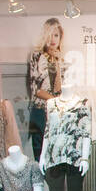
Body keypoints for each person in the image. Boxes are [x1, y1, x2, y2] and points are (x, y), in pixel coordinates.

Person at [26, 18, 66, 160]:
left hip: (56, 112)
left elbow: (61, 88)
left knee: (56, 154)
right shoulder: (37, 56)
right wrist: (56, 101)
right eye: (50, 35)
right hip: (40, 111)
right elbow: (36, 89)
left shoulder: (60, 59)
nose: (53, 39)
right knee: (40, 155)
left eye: (56, 35)